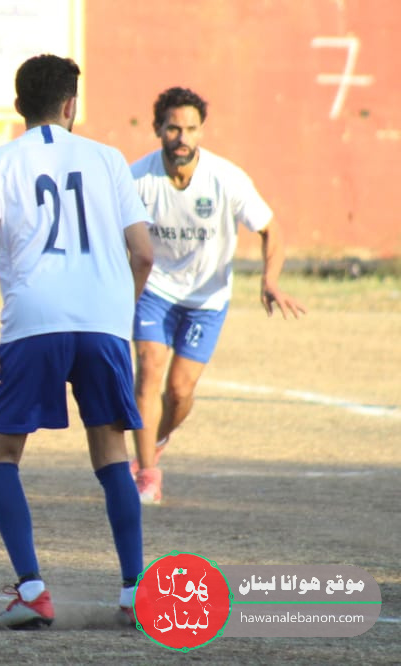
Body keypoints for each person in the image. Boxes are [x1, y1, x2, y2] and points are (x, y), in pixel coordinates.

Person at [0, 54, 154, 630]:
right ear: (72, 105)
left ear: (19, 106)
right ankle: (135, 592)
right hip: (102, 324)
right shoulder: (109, 159)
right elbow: (143, 254)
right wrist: (117, 311)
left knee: (1, 455)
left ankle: (33, 591)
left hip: (32, 321)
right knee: (112, 455)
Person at [129, 87, 306, 505]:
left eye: (191, 129)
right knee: (149, 368)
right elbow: (113, 234)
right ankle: (147, 475)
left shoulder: (226, 178)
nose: (182, 138)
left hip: (207, 299)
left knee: (179, 392)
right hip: (156, 290)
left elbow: (271, 230)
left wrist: (270, 280)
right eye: (174, 128)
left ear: (201, 132)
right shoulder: (136, 180)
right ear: (158, 130)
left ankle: (157, 440)